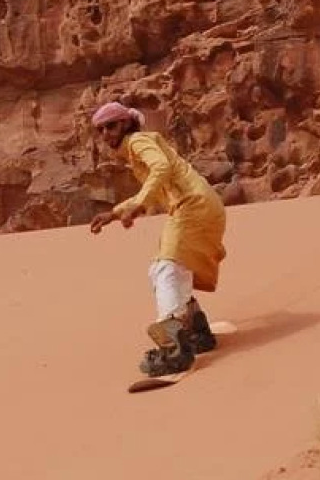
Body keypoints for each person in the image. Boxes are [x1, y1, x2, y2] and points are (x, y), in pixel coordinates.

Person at [88, 100, 228, 377]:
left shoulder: (138, 141)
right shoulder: (137, 147)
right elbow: (160, 183)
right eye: (100, 129)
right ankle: (196, 329)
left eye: (111, 126)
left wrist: (139, 204)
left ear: (125, 123)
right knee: (173, 268)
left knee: (166, 269)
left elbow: (161, 168)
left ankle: (174, 348)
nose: (106, 134)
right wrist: (116, 213)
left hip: (192, 206)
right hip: (199, 206)